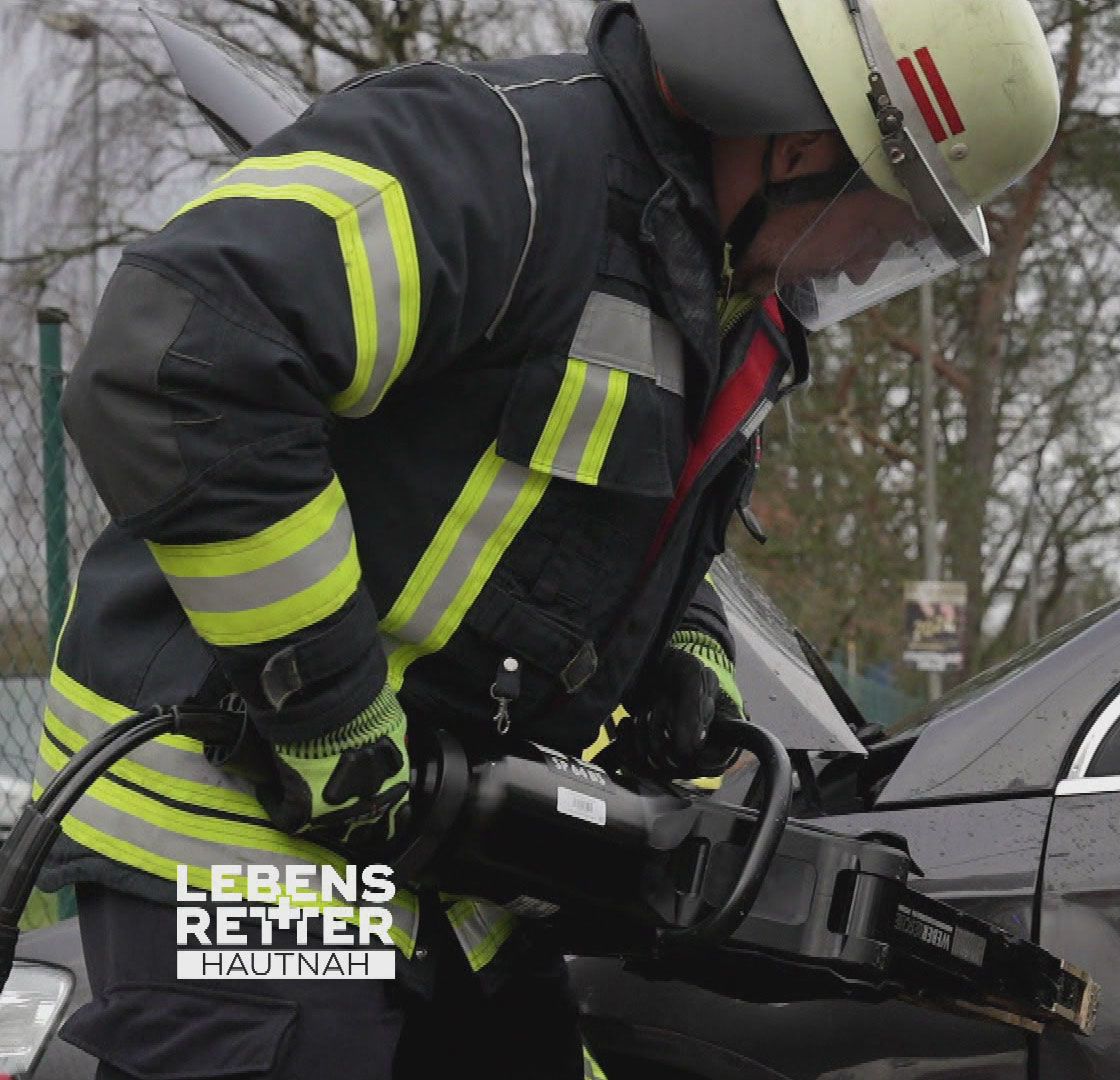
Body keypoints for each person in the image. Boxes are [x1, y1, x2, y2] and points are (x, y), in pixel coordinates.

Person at [38, 0, 1060, 1075]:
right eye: (885, 226)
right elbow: (175, 360)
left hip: (446, 858)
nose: (859, 268)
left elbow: (594, 515)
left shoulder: (721, 300)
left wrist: (684, 640)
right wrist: (327, 707)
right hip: (234, 836)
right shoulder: (498, 161)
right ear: (805, 148)